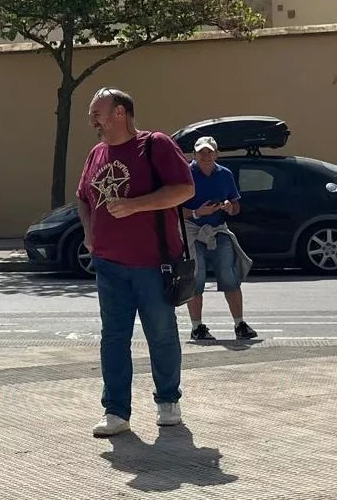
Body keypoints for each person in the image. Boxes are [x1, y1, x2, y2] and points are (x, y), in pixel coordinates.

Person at [76, 88, 194, 438]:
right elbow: (83, 197)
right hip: (108, 264)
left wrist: (135, 205)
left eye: (97, 112)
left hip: (153, 263)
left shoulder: (154, 144)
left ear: (120, 113)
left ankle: (168, 401)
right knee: (113, 337)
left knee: (161, 334)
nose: (93, 119)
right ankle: (115, 411)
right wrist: (88, 232)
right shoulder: (96, 153)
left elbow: (184, 189)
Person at [181, 136, 255, 341]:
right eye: (201, 152)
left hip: (217, 228)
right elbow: (174, 209)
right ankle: (197, 327)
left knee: (229, 275)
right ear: (194, 154)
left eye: (210, 152)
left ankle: (240, 323)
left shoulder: (225, 174)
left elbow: (236, 204)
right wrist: (197, 212)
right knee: (196, 277)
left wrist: (230, 208)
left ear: (216, 154)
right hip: (192, 229)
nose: (206, 156)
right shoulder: (184, 174)